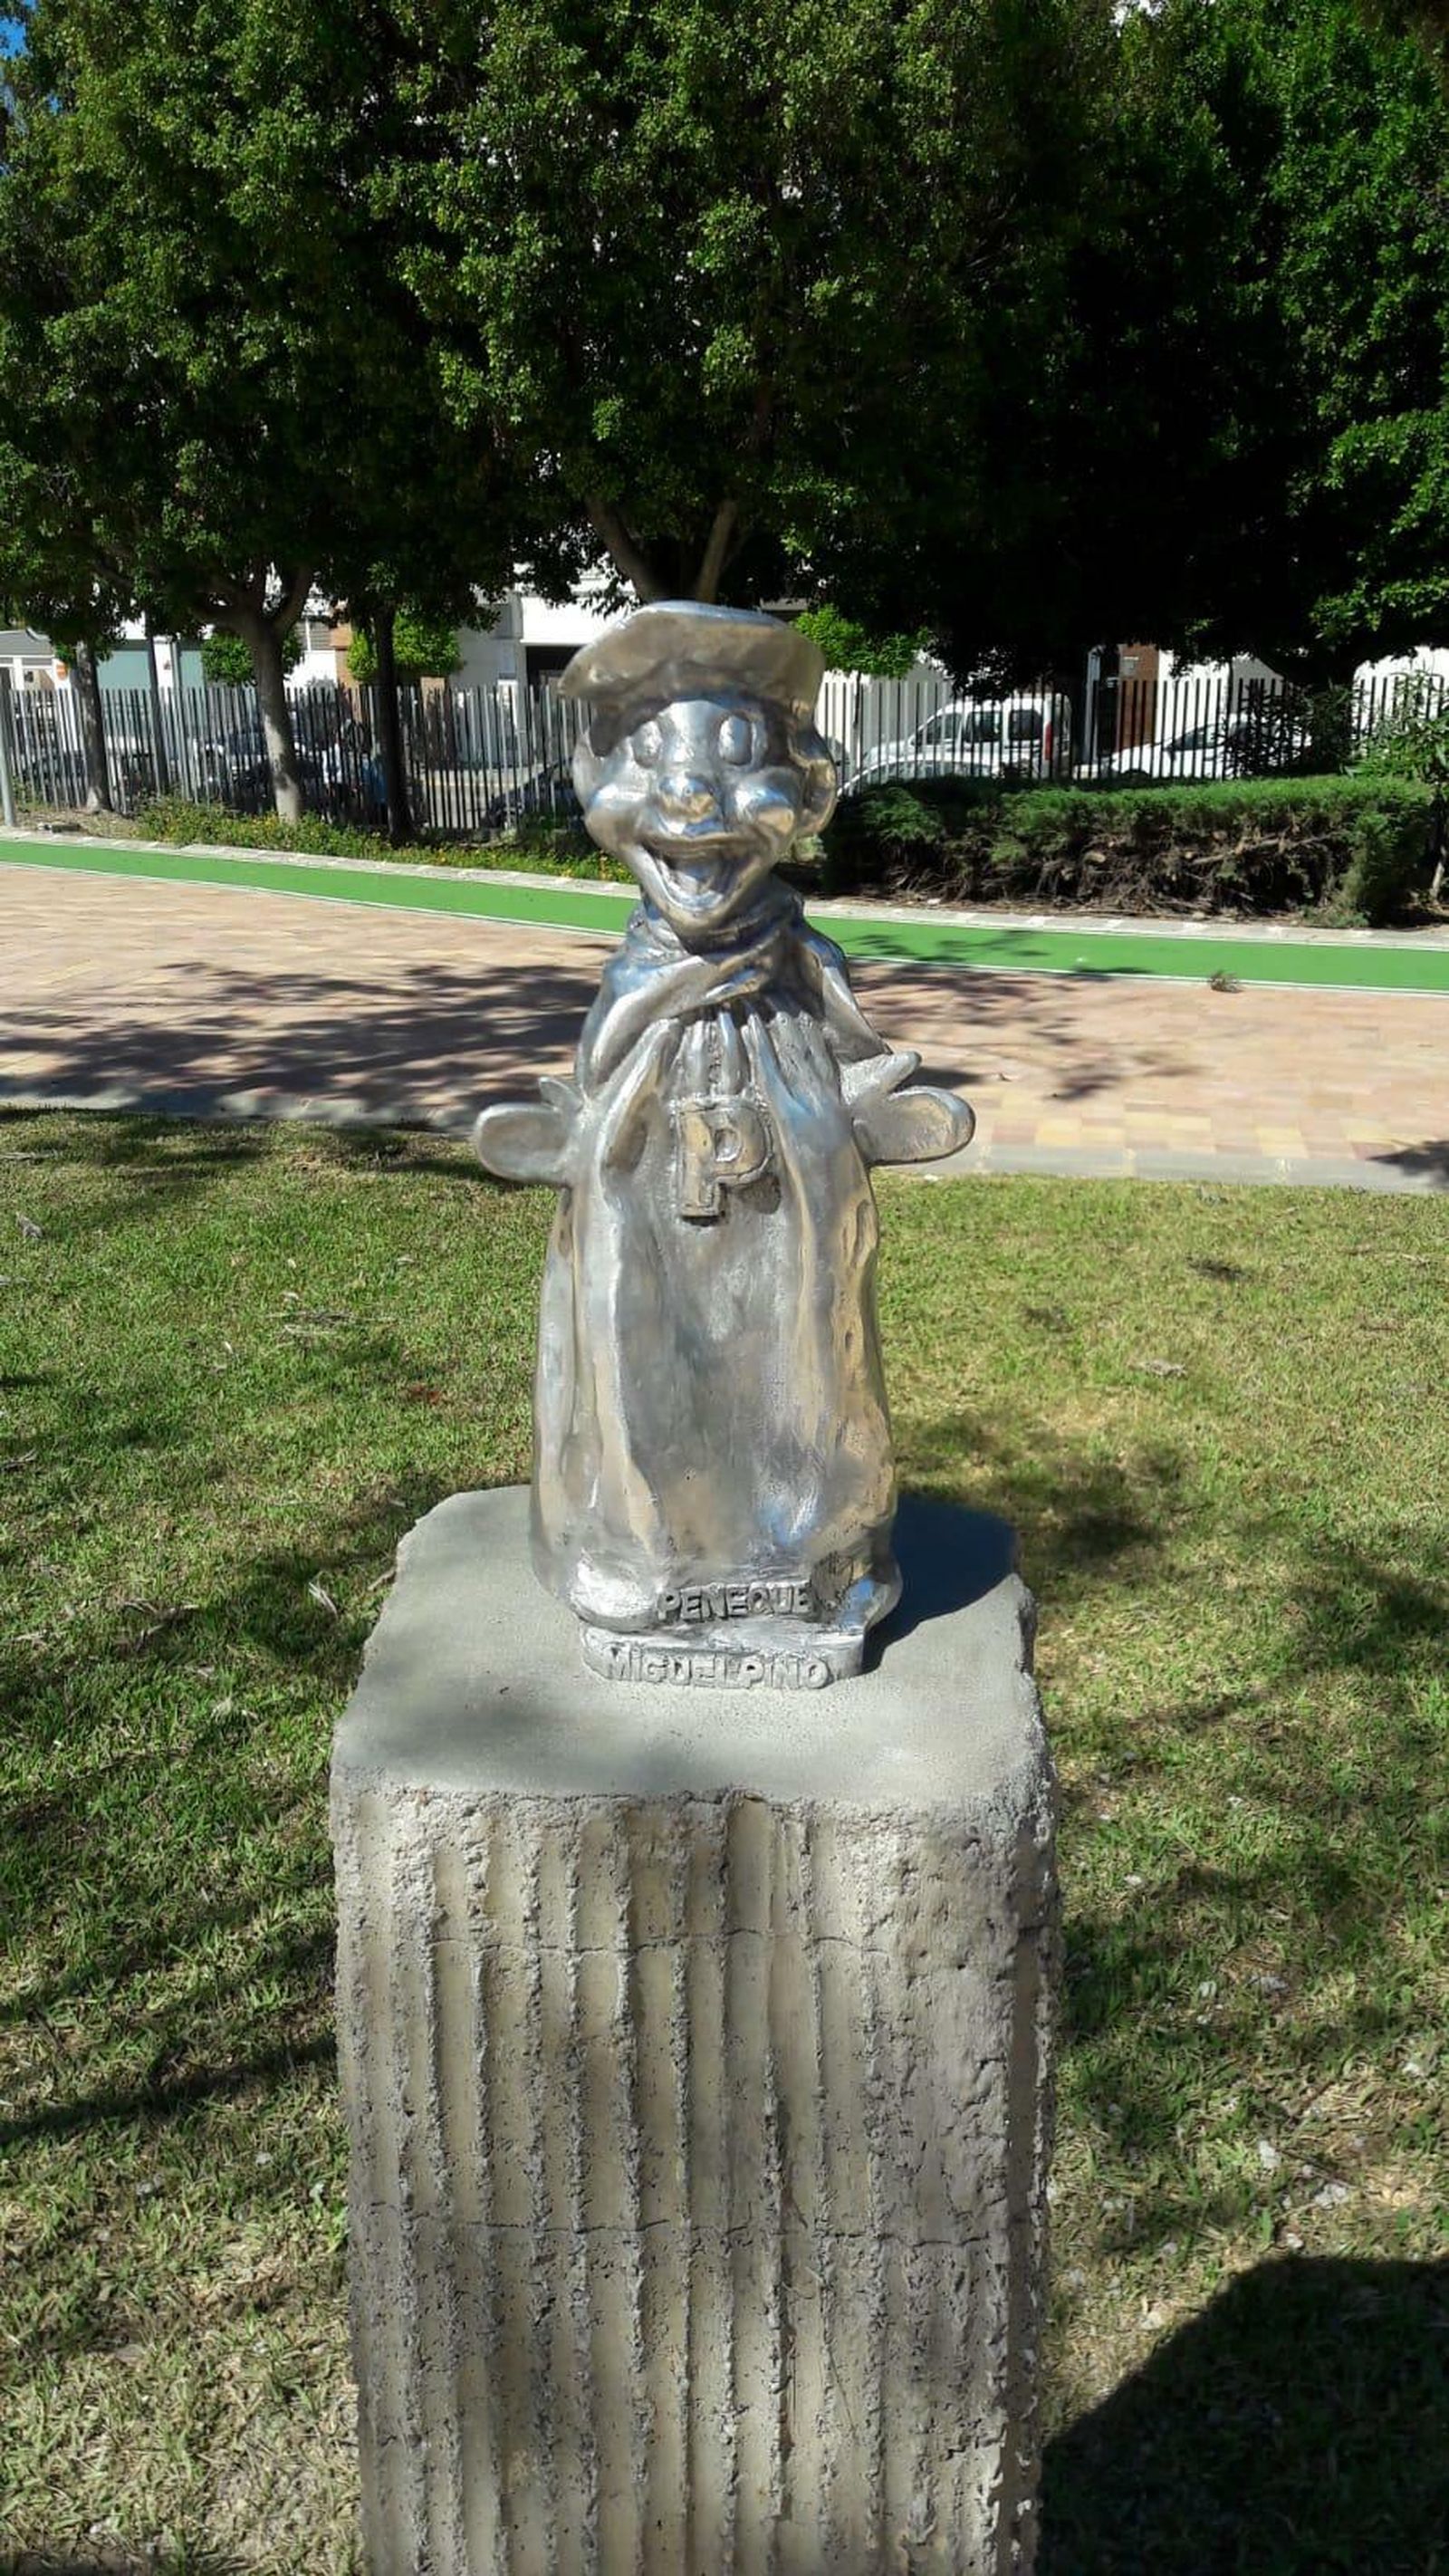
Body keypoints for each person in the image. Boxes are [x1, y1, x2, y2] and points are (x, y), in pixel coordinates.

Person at [475, 601, 973, 1685]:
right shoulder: (635, 982)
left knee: (798, 1342)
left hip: (789, 1176)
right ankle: (644, 1554)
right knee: (637, 1342)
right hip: (643, 1181)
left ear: (812, 789)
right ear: (593, 783)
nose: (691, 799)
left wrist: (864, 1116)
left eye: (739, 753)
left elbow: (861, 1060)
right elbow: (594, 1079)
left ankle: (807, 1559)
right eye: (651, 756)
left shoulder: (806, 963)